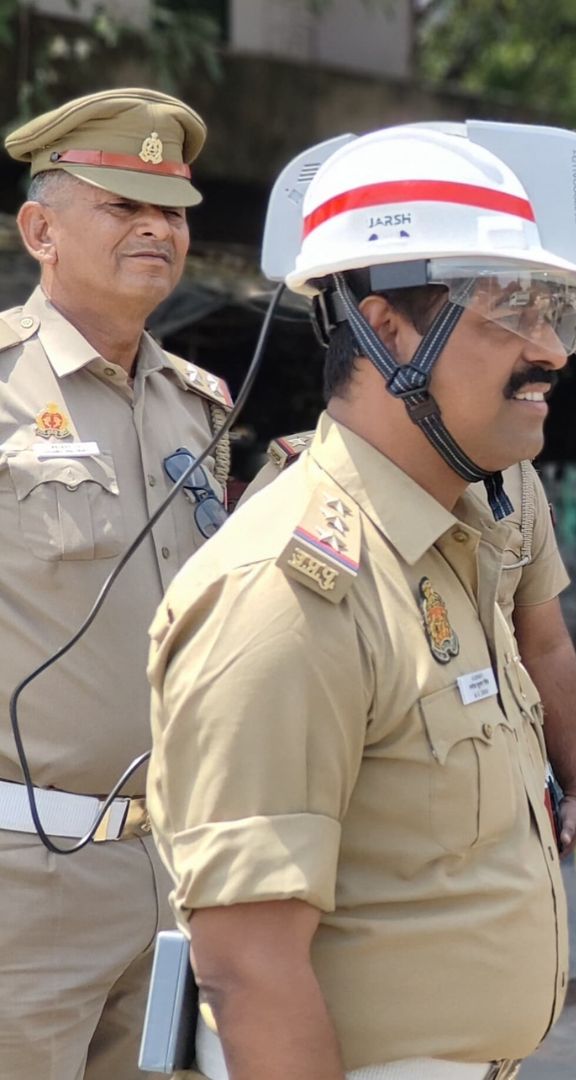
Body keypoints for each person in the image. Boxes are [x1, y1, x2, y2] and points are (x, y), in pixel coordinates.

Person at [146, 120, 576, 1078]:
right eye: (508, 310)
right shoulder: (284, 593)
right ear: (386, 325)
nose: (552, 351)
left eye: (558, 311)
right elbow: (250, 971)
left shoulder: (458, 538)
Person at [0, 88, 229, 1080]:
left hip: (171, 871)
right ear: (41, 229)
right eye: (122, 205)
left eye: (171, 211)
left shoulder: (200, 409)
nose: (156, 229)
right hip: (22, 882)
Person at [239, 448, 576, 854]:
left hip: (513, 826)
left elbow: (545, 645)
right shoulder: (304, 486)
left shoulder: (513, 479)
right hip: (391, 846)